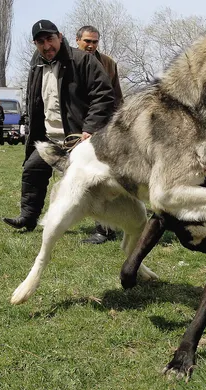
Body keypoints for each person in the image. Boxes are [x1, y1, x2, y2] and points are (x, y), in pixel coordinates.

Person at [2, 19, 115, 231]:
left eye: (50, 39)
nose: (47, 46)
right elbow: (36, 100)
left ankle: (104, 230)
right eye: (40, 42)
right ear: (35, 44)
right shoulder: (36, 65)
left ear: (60, 37)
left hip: (80, 138)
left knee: (94, 183)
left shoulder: (83, 61)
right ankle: (28, 218)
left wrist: (89, 129)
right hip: (49, 138)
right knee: (32, 170)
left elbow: (104, 96)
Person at [76, 25, 123, 244]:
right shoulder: (71, 62)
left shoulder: (108, 63)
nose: (90, 45)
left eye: (94, 41)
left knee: (100, 178)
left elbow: (116, 98)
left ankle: (104, 229)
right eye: (87, 41)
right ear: (78, 41)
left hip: (102, 129)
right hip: (77, 128)